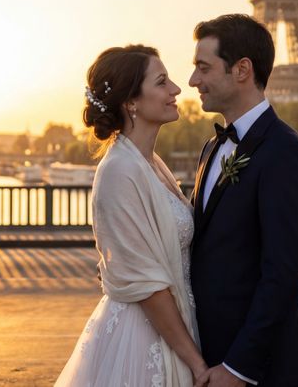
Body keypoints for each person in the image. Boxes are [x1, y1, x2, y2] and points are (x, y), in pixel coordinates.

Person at [56, 44, 207, 387]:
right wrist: (196, 364)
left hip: (172, 326)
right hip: (146, 338)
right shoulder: (119, 170)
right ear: (131, 102)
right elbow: (148, 286)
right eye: (161, 82)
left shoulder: (149, 163)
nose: (176, 90)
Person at [188, 14, 298, 387]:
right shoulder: (211, 148)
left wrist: (238, 367)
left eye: (203, 67)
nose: (193, 80)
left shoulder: (286, 153)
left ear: (242, 69)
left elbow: (283, 275)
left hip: (258, 368)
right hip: (210, 355)